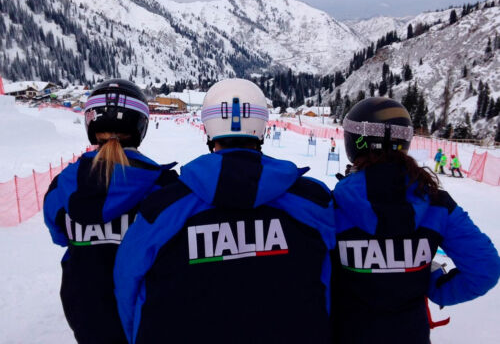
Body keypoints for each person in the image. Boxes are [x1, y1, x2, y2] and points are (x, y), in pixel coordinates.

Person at [114, 78, 336, 344]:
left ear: (208, 130)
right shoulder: (313, 201)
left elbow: (127, 281)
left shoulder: (164, 207)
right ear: (262, 127)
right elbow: (333, 278)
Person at [331, 97, 500, 344]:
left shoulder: (332, 204)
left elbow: (310, 270)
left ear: (354, 142)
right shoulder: (435, 203)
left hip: (348, 332)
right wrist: (432, 283)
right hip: (411, 334)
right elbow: (485, 268)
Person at [43, 79, 177, 344]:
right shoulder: (164, 186)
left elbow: (60, 236)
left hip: (86, 314)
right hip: (146, 316)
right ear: (140, 125)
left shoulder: (63, 186)